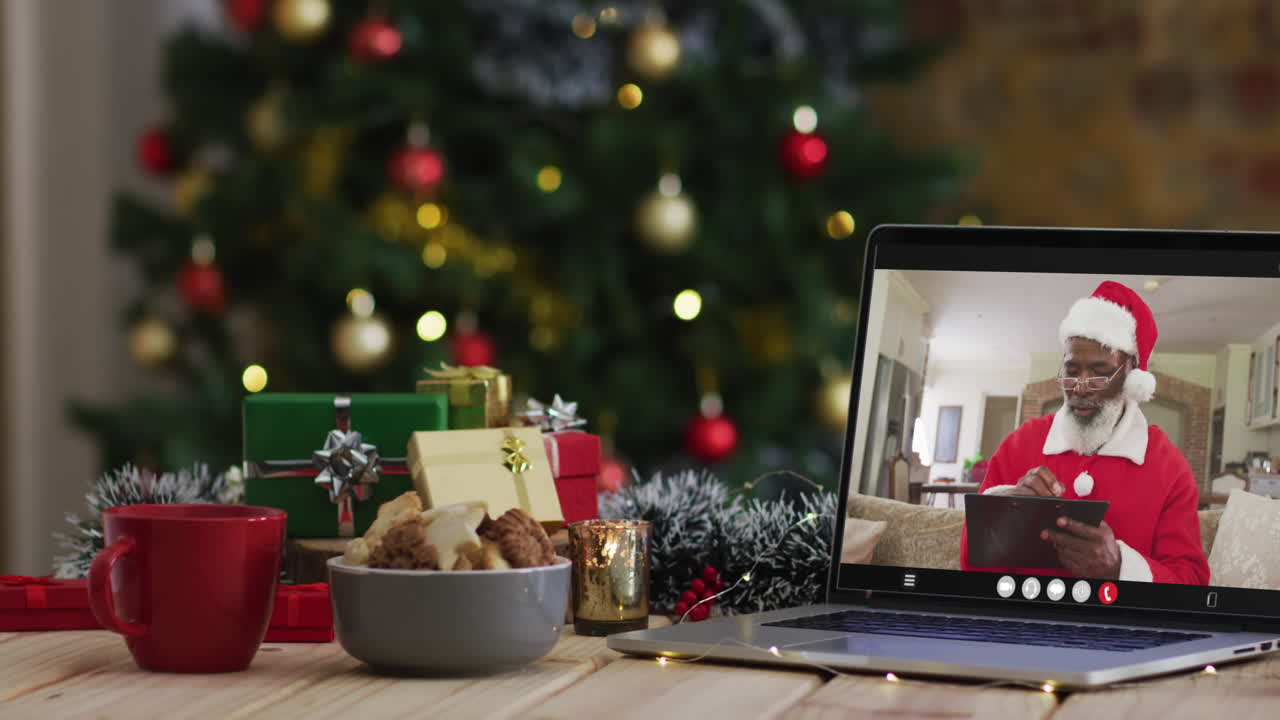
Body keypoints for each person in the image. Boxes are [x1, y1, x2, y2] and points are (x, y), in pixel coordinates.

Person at [959, 281, 1209, 585]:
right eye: (1072, 371)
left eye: (1101, 372)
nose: (1080, 389)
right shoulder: (1020, 444)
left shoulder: (1169, 468)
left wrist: (1120, 568)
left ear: (1132, 373)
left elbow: (1192, 583)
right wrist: (1008, 510)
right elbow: (970, 567)